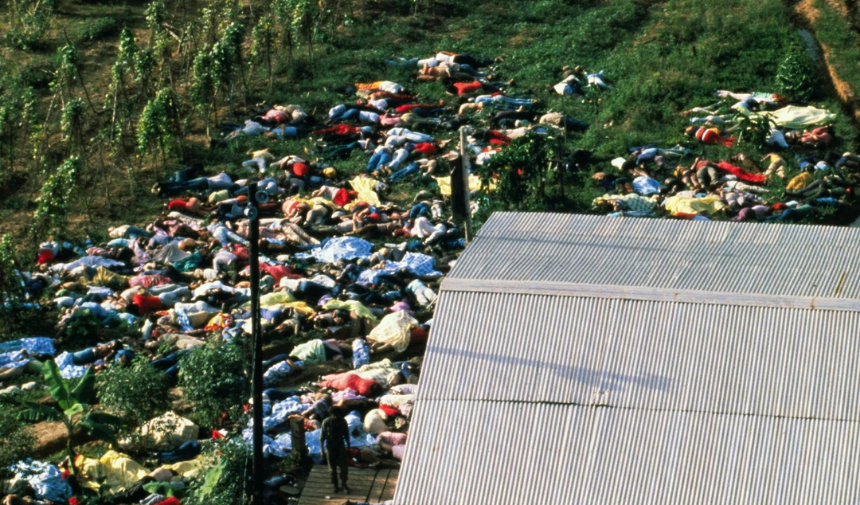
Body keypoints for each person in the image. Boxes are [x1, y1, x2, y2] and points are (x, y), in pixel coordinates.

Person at [321, 406, 351, 493]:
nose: (335, 417)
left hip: (340, 445)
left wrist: (348, 447)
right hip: (330, 446)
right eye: (333, 415)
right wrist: (322, 450)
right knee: (331, 468)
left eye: (337, 415)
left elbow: (346, 435)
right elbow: (322, 437)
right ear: (331, 414)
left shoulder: (342, 422)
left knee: (343, 466)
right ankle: (335, 485)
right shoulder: (326, 422)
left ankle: (344, 484)